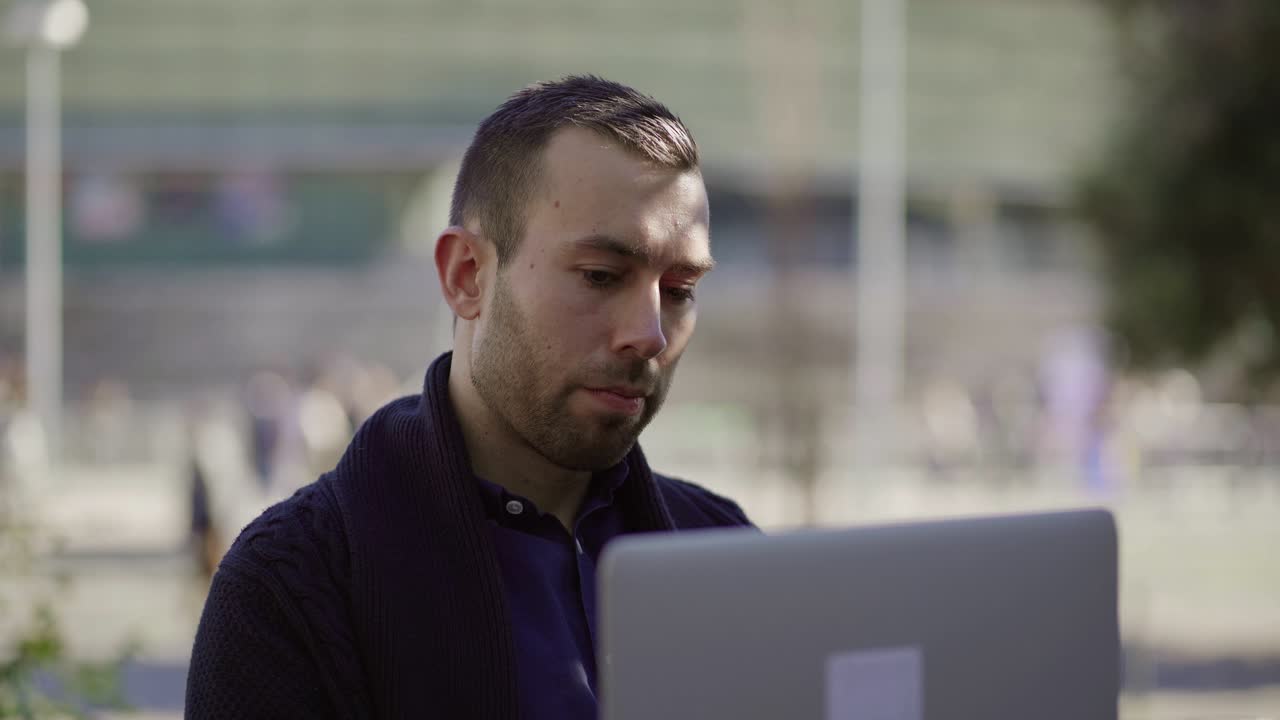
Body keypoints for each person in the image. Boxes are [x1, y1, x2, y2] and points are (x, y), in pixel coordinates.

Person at [185, 75, 753, 719]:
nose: (649, 334)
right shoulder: (295, 586)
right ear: (466, 276)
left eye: (679, 290)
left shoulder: (725, 550)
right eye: (601, 276)